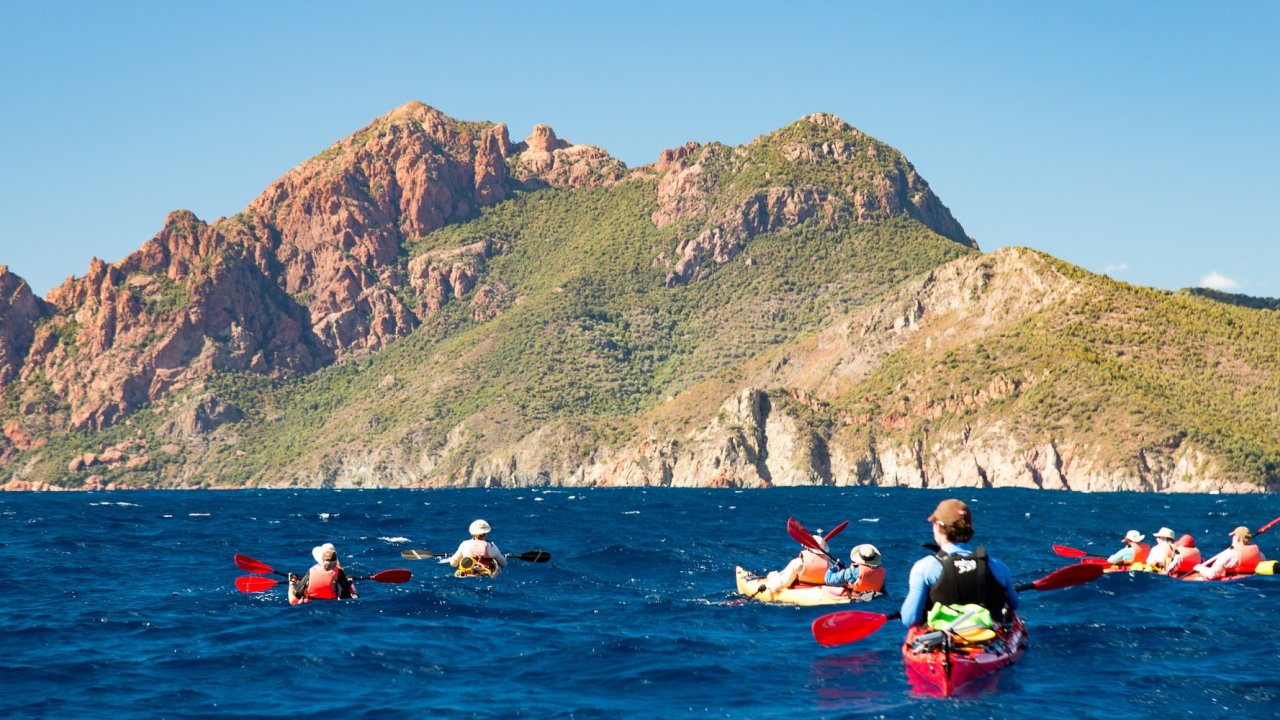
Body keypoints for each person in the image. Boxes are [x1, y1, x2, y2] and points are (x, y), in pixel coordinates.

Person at [900, 499, 1020, 628]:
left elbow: (910, 619)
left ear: (939, 527)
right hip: (989, 637)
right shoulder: (998, 566)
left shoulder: (924, 568)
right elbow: (1014, 604)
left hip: (944, 641)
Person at [765, 533, 836, 592]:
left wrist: (767, 586)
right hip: (821, 591)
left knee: (772, 575)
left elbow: (785, 582)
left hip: (800, 589)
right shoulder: (830, 566)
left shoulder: (798, 563)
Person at [289, 544, 357, 604]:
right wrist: (350, 582)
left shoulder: (311, 572)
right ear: (335, 562)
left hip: (309, 609)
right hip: (332, 608)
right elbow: (347, 598)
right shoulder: (339, 573)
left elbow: (293, 601)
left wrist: (292, 582)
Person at [1193, 526, 1266, 580]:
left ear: (1237, 538)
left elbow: (1212, 574)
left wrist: (1199, 568)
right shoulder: (1260, 555)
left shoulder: (1229, 555)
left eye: (1233, 536)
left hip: (1233, 589)